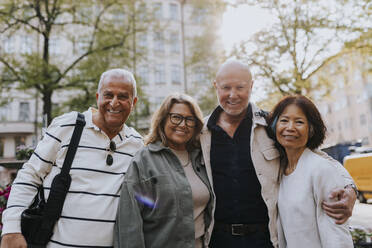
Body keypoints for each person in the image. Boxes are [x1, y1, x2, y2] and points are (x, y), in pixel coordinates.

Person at [199, 59, 357, 248]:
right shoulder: (201, 132)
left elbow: (316, 156)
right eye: (226, 88)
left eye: (240, 87)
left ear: (251, 86)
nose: (233, 95)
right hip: (218, 239)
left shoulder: (270, 125)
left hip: (264, 239)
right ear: (215, 86)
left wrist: (350, 189)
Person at [1, 69, 143, 248]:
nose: (114, 103)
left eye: (123, 96)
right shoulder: (68, 126)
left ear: (134, 102)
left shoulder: (137, 144)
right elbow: (30, 175)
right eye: (108, 95)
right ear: (98, 96)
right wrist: (11, 228)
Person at [114, 93, 215, 248]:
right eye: (176, 117)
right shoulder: (145, 160)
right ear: (163, 119)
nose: (183, 124)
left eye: (189, 119)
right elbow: (129, 220)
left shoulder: (202, 158)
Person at [266, 95, 353, 247]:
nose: (290, 127)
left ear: (311, 130)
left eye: (299, 122)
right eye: (284, 120)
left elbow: (337, 234)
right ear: (275, 126)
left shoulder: (321, 169)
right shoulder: (280, 170)